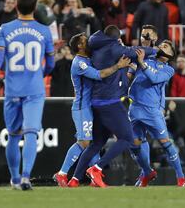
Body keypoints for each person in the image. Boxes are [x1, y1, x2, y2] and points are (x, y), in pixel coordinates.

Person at [68, 25, 155, 187]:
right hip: (110, 102)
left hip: (97, 102)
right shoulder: (113, 49)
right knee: (127, 138)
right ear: (115, 39)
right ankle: (97, 168)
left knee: (97, 143)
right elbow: (132, 52)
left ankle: (74, 179)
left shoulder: (94, 47)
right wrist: (155, 50)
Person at [0, 0, 55, 190]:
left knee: (14, 135)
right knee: (31, 133)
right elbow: (50, 64)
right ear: (35, 8)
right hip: (34, 89)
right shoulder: (44, 31)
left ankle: (14, 179)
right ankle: (25, 177)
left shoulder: (5, 29)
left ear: (16, 6)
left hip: (12, 90)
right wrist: (41, 73)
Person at [53, 33, 131, 187]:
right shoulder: (79, 63)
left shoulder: (88, 59)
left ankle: (92, 178)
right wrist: (118, 66)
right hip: (82, 107)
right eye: (84, 40)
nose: (88, 41)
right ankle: (62, 173)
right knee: (84, 142)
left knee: (93, 143)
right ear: (79, 46)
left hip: (92, 106)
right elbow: (99, 74)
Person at [128, 36, 185, 187]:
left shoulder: (168, 70)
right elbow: (131, 66)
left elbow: (154, 78)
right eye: (161, 45)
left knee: (165, 143)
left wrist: (140, 63)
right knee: (134, 145)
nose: (162, 47)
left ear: (171, 55)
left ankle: (181, 178)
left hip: (151, 111)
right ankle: (147, 171)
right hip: (134, 107)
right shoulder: (146, 58)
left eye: (166, 47)